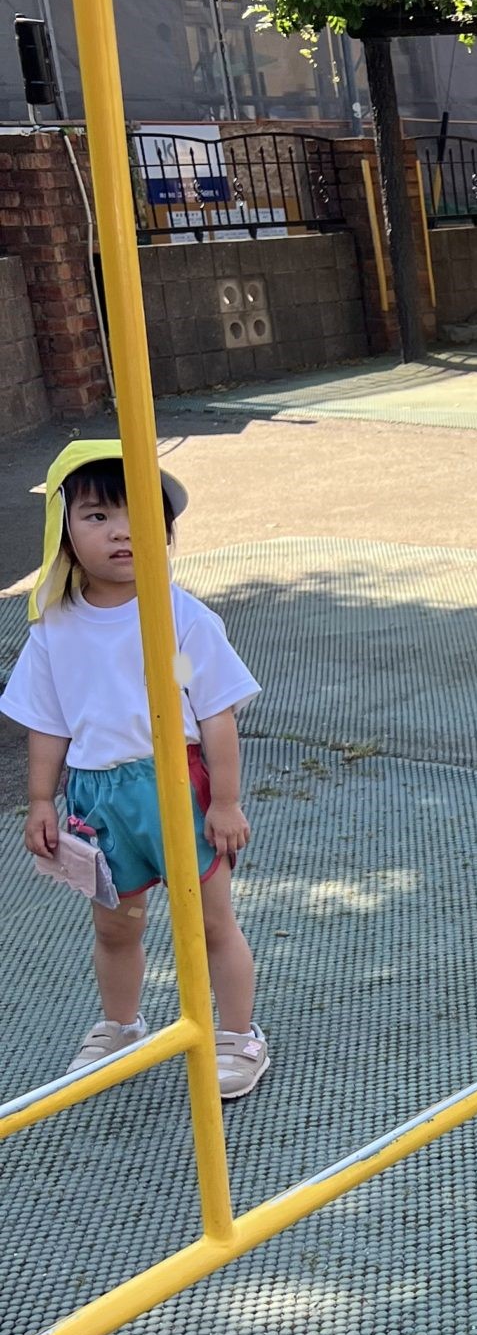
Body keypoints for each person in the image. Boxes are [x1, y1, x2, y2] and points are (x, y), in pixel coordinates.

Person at [3, 439, 270, 1097]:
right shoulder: (55, 627)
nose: (121, 531)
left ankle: (239, 1035)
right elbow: (49, 722)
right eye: (98, 516)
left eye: (139, 515)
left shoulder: (180, 620)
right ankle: (122, 1026)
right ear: (63, 532)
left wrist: (225, 801)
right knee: (115, 925)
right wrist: (42, 800)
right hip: (97, 797)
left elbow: (212, 712)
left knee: (210, 923)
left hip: (175, 785)